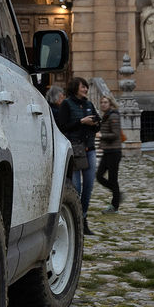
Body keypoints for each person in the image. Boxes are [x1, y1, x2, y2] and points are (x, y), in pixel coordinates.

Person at [53, 77, 99, 233]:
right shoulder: (66, 104)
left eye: (86, 87)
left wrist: (95, 124)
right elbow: (63, 126)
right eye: (83, 87)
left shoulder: (89, 104)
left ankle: (83, 217)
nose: (85, 89)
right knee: (76, 188)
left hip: (89, 148)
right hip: (75, 149)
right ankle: (76, 220)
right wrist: (81, 122)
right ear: (75, 88)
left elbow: (97, 124)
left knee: (89, 186)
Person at [95, 99, 125, 213]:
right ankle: (117, 193)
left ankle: (114, 206)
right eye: (101, 102)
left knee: (113, 179)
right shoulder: (106, 116)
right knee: (99, 176)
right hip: (108, 151)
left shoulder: (113, 116)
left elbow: (115, 134)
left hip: (114, 152)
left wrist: (101, 135)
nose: (102, 104)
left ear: (111, 104)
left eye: (105, 102)